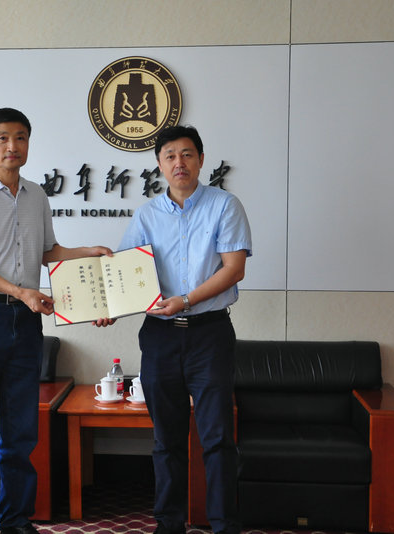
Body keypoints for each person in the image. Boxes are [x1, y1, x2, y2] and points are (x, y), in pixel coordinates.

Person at [0, 107, 111, 534]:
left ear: (29, 143)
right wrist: (20, 291)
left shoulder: (37, 195)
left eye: (20, 137)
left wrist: (87, 253)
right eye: (3, 138)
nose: (12, 146)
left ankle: (16, 521)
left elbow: (47, 252)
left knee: (21, 433)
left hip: (25, 322)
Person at [111, 125, 252, 534]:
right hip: (160, 337)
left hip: (210, 334)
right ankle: (168, 525)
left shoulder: (225, 206)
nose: (179, 163)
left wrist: (185, 300)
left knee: (217, 437)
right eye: (170, 155)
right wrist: (108, 309)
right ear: (159, 164)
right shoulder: (147, 215)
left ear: (201, 160)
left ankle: (224, 525)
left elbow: (234, 269)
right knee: (166, 439)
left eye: (187, 154)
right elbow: (125, 275)